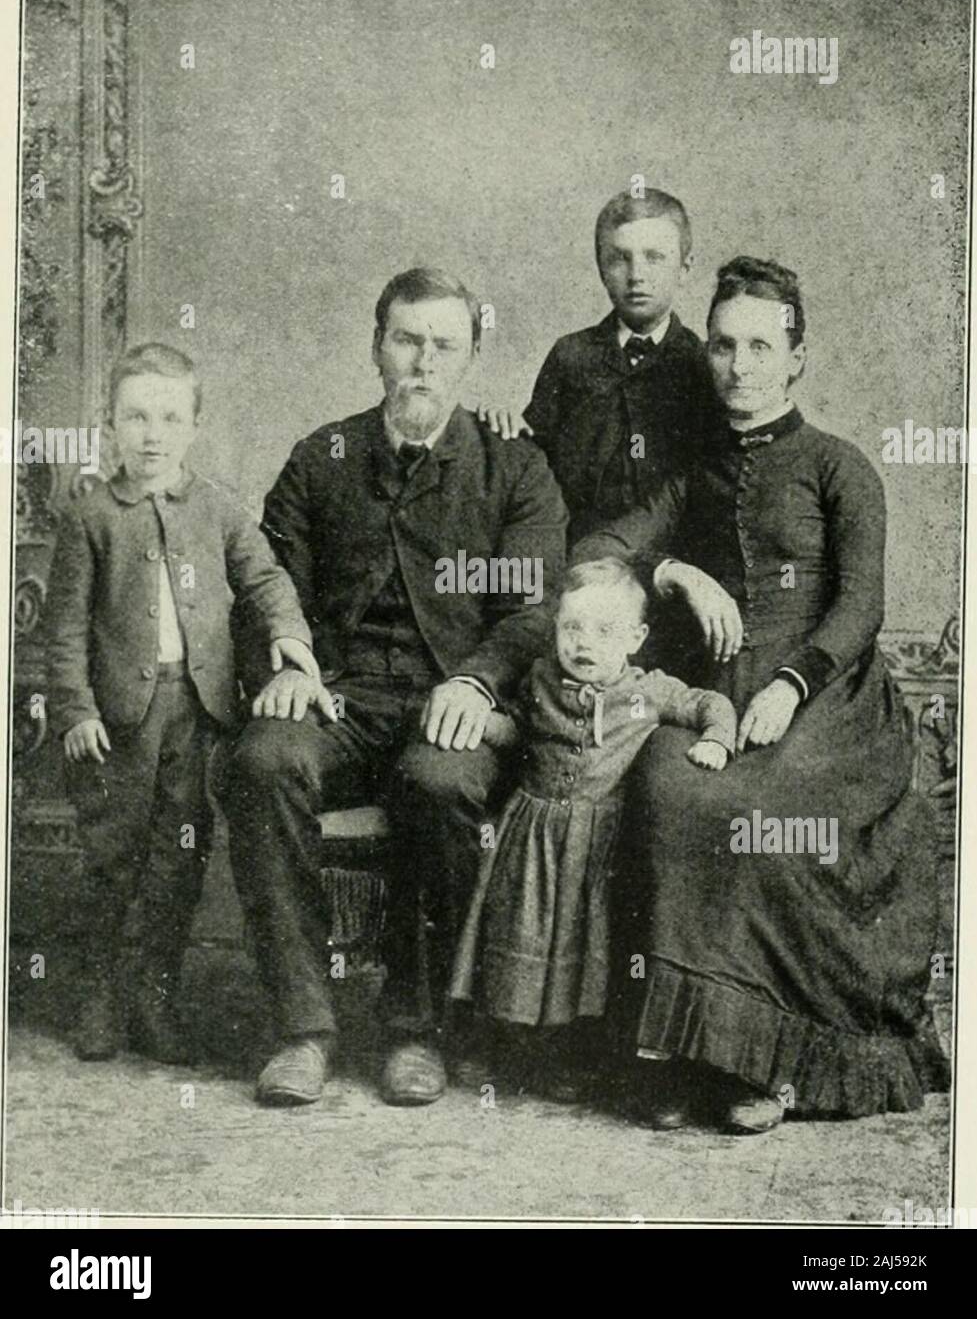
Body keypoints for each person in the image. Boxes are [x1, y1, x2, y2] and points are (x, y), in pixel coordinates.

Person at [575, 257, 947, 1132]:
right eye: (721, 347)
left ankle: (768, 1069)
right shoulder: (691, 476)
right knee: (666, 788)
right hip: (714, 698)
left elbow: (862, 604)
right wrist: (672, 573)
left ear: (795, 358)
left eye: (757, 346)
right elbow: (595, 547)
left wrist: (789, 681)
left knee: (761, 805)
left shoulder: (838, 467)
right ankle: (685, 1057)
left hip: (829, 700)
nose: (736, 367)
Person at [223, 267, 568, 1108]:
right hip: (334, 698)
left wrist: (480, 682)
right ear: (377, 346)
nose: (422, 362)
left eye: (443, 346)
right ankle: (304, 1028)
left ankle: (416, 1032)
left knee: (440, 783)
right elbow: (264, 590)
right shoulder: (323, 455)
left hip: (446, 701)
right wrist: (285, 669)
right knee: (263, 761)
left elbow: (534, 609)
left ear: (470, 358)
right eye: (406, 340)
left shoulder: (513, 466)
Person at [44, 344, 319, 1064]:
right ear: (110, 425)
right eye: (135, 416)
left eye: (169, 417)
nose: (151, 433)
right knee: (115, 855)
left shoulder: (219, 509)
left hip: (195, 717)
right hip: (117, 725)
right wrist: (75, 711)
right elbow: (65, 625)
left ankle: (154, 997)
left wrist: (288, 636)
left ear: (194, 426)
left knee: (179, 859)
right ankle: (102, 992)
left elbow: (267, 583)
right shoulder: (91, 517)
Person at [450, 559, 735, 1100]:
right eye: (572, 627)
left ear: (635, 638)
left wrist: (717, 738)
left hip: (596, 844)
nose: (585, 643)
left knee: (582, 948)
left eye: (605, 631)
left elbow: (709, 703)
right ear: (555, 626)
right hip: (531, 833)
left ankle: (566, 1058)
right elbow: (518, 733)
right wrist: (481, 724)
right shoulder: (539, 679)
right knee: (519, 933)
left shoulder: (649, 691)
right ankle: (505, 1048)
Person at [480, 188, 715, 548]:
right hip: (577, 551)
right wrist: (507, 429)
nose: (637, 275)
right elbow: (534, 458)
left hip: (676, 555)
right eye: (619, 258)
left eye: (654, 257)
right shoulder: (571, 356)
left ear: (685, 267)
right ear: (601, 269)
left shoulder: (703, 363)